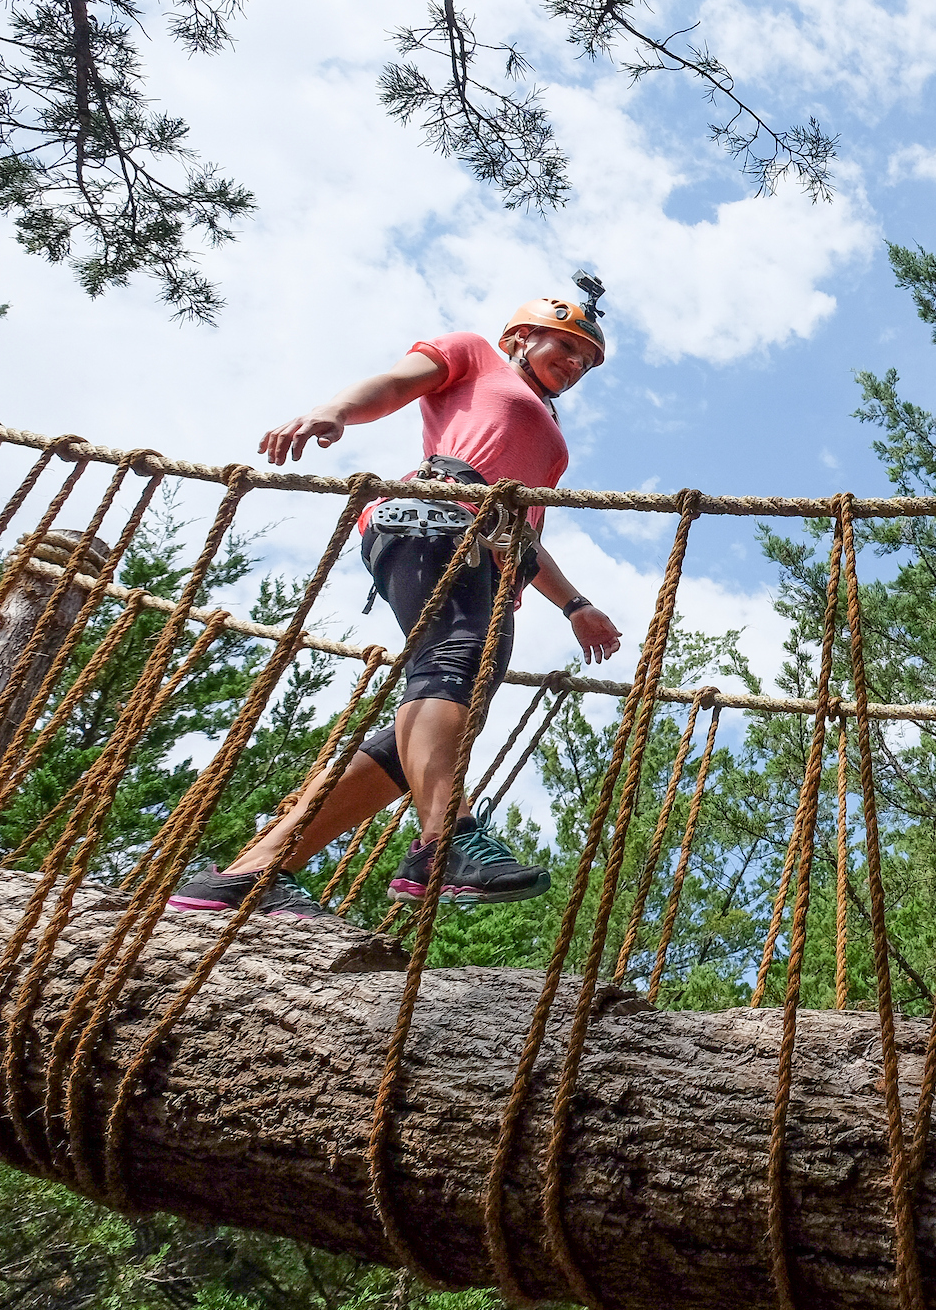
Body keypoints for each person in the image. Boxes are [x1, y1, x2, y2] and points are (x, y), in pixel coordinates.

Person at [169, 285, 625, 920]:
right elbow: (394, 383)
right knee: (452, 665)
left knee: (435, 716)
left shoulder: (551, 434)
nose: (574, 365)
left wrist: (574, 605)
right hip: (434, 520)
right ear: (520, 337)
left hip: (490, 558)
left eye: (586, 361)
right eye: (566, 347)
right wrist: (333, 411)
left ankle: (250, 873)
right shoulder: (474, 355)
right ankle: (445, 842)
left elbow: (524, 528)